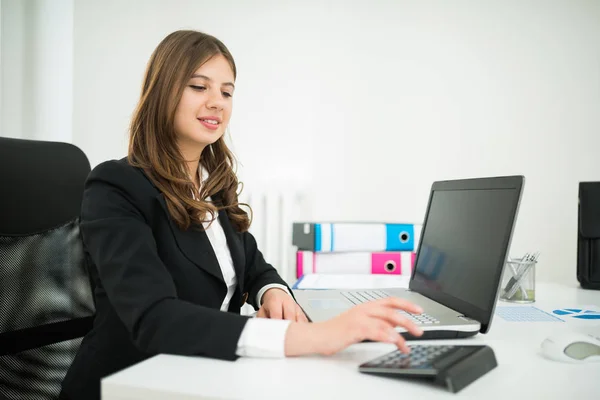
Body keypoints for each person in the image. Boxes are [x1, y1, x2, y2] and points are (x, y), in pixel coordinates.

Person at [59, 30, 424, 400]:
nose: (217, 102)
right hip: (133, 384)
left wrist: (273, 290)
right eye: (199, 87)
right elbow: (155, 318)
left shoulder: (212, 184)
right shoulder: (116, 186)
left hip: (204, 374)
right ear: (163, 91)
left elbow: (251, 265)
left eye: (227, 92)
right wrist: (314, 336)